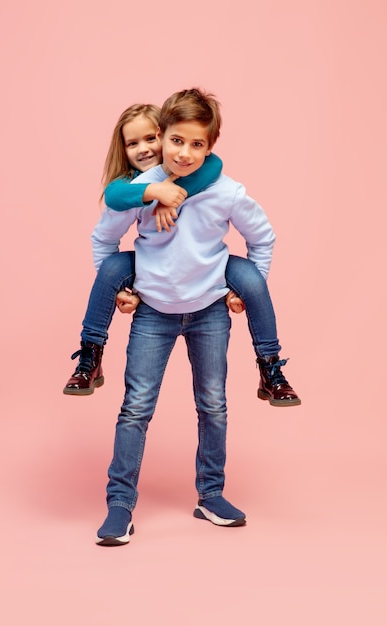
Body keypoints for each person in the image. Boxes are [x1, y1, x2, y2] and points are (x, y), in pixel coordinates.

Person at [93, 88, 298, 547]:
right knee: (135, 409)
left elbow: (262, 239)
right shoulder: (141, 189)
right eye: (177, 141)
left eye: (197, 144)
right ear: (161, 136)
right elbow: (103, 240)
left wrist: (243, 289)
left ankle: (211, 495)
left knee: (213, 406)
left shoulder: (227, 192)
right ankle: (119, 505)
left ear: (211, 146)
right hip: (153, 315)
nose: (184, 153)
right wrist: (123, 290)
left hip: (208, 313)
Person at [63, 103, 300, 407]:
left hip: (207, 268)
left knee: (252, 279)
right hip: (152, 268)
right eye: (132, 143)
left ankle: (270, 365)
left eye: (151, 139)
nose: (145, 150)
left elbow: (213, 165)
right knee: (111, 269)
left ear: (162, 137)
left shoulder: (201, 171)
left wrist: (171, 193)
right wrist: (154, 194)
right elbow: (114, 197)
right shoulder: (134, 183)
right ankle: (90, 353)